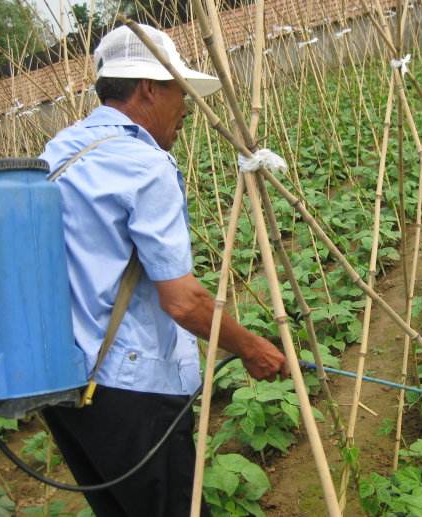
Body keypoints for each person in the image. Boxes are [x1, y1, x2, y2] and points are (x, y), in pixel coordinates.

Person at [39, 24, 288, 517]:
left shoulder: (54, 154)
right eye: (181, 91)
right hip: (131, 389)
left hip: (61, 384)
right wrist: (251, 347)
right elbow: (183, 300)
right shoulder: (143, 165)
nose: (188, 108)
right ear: (149, 88)